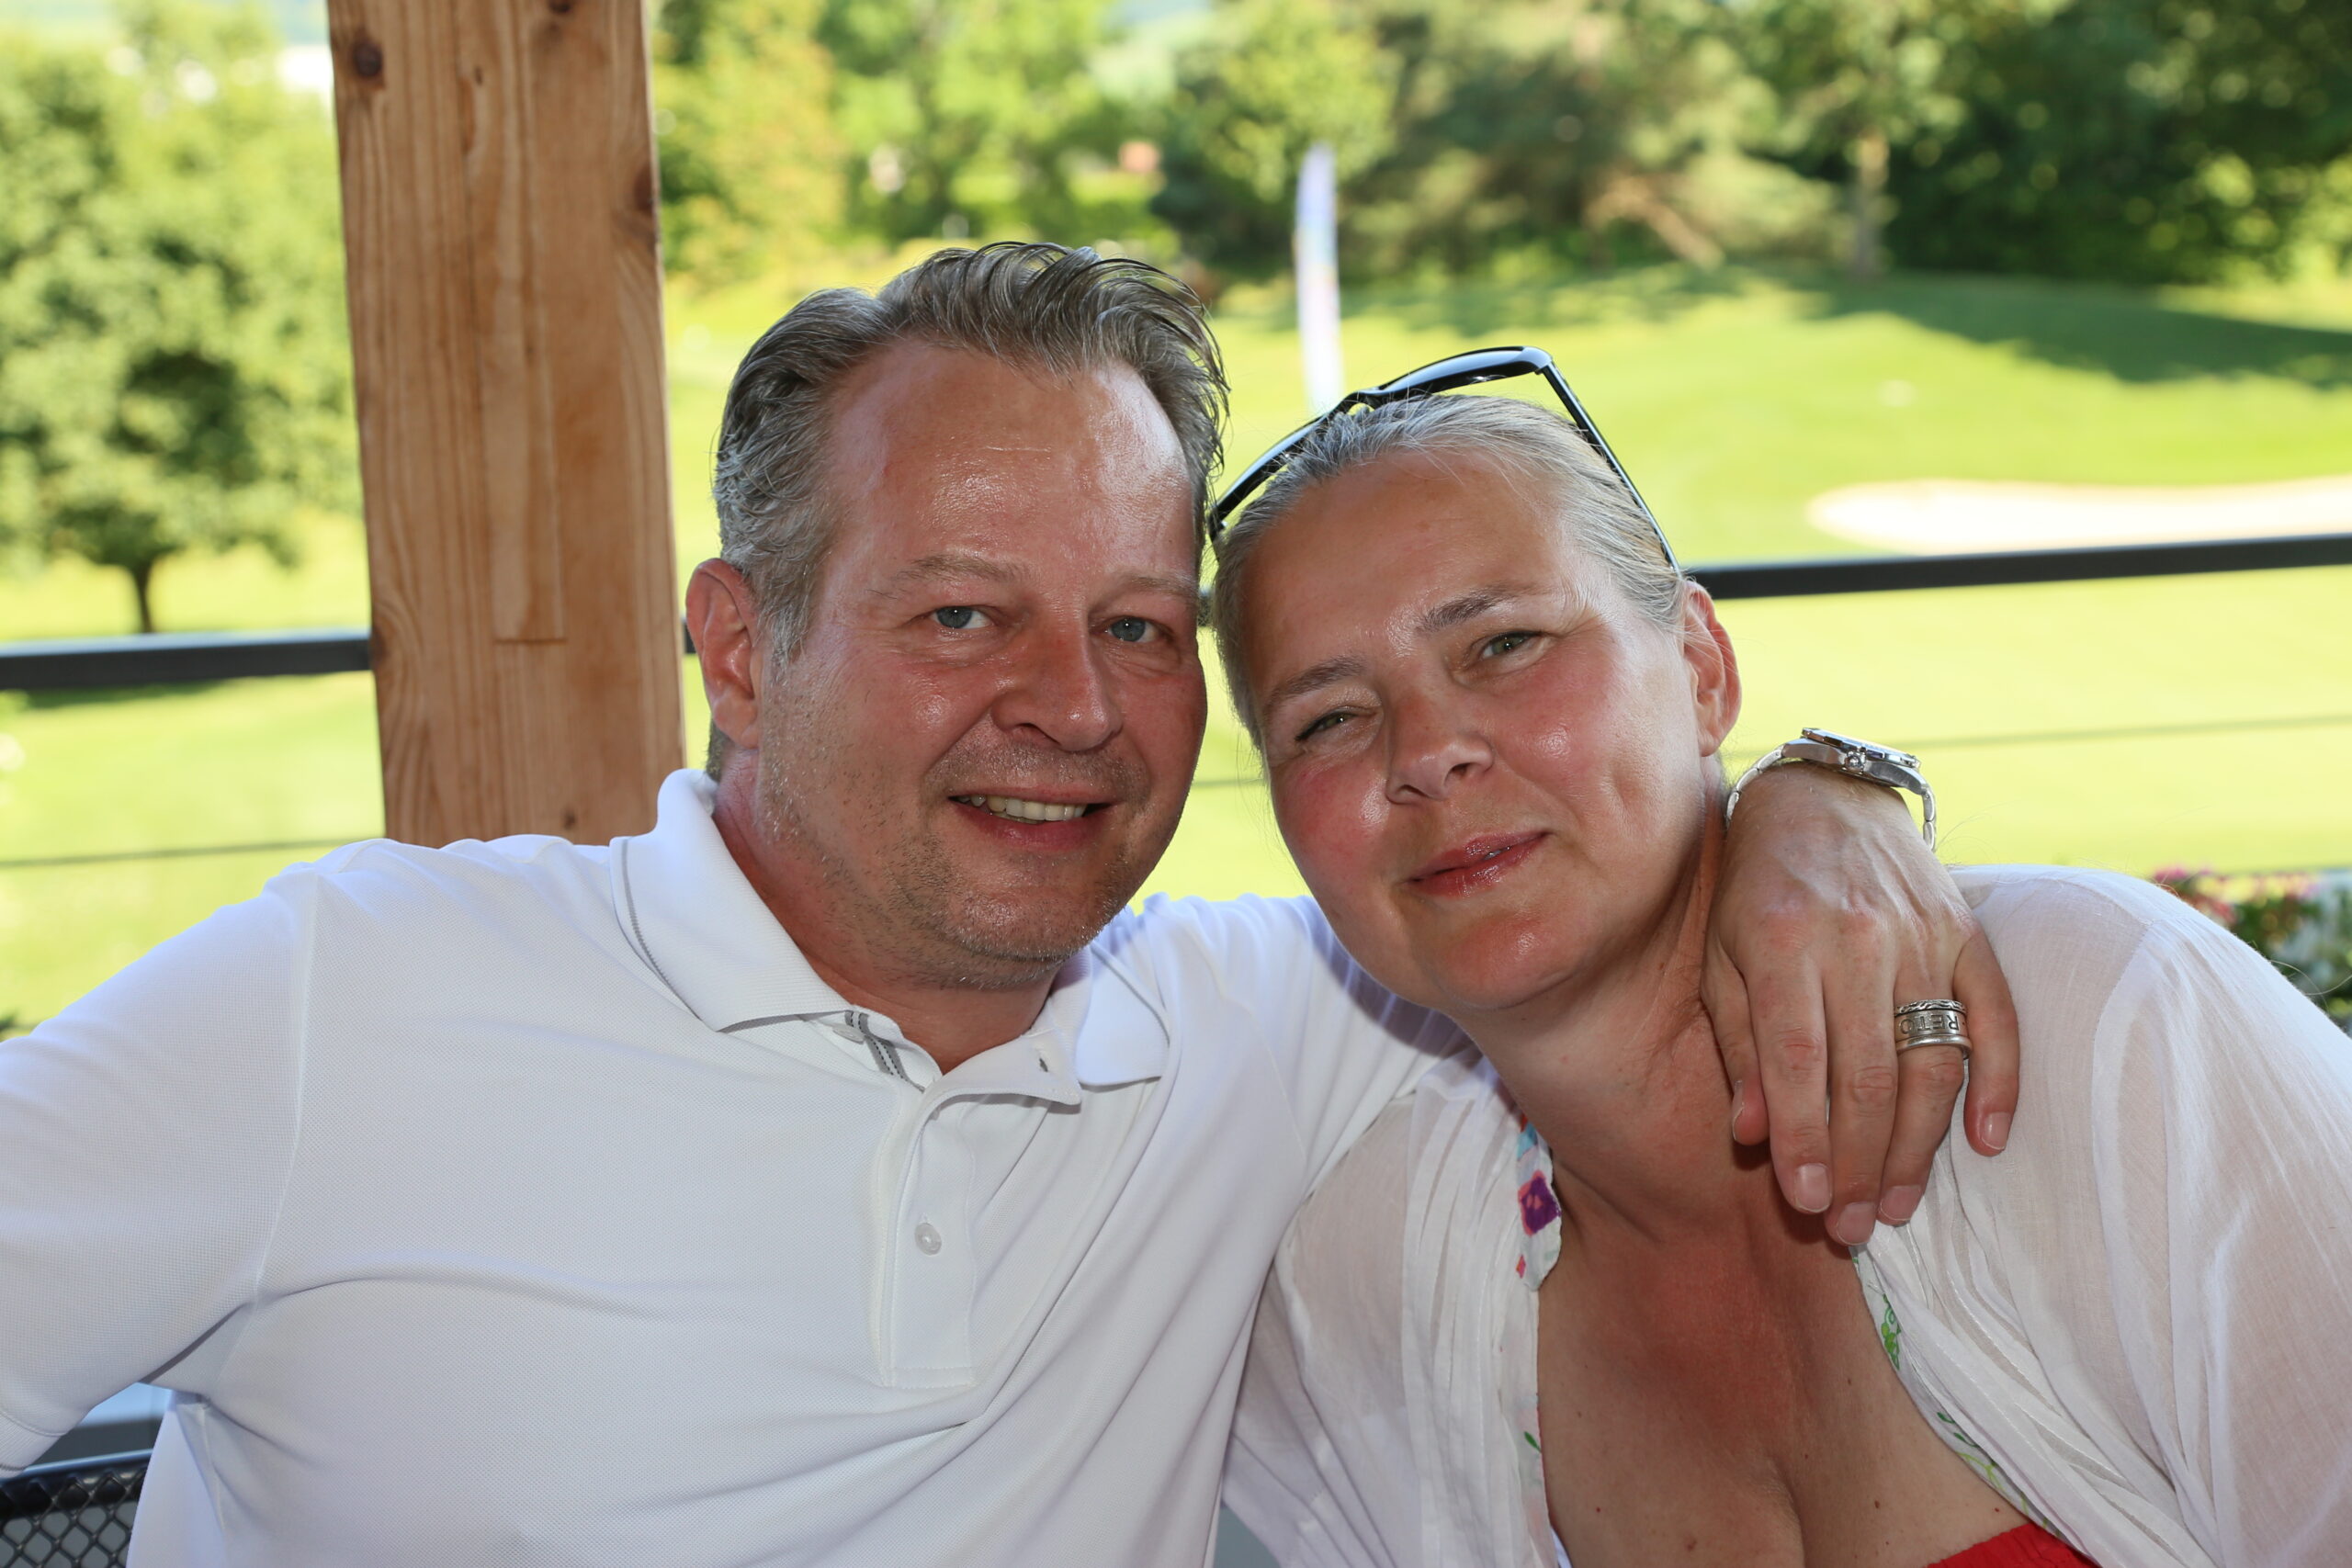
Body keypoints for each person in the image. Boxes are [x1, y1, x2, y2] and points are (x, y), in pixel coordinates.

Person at [2, 247, 2013, 1567]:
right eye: (963, 614)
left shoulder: (1290, 1015)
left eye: (1136, 624)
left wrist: (1821, 796)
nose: (1071, 706)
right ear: (742, 647)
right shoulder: (346, 999)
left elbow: (1590, 877)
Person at [1210, 388, 2352, 1568]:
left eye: (1503, 644)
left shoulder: (2097, 1026)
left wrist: (1829, 779)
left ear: (1702, 669)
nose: (1426, 753)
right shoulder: (1368, 1282)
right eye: (1327, 718)